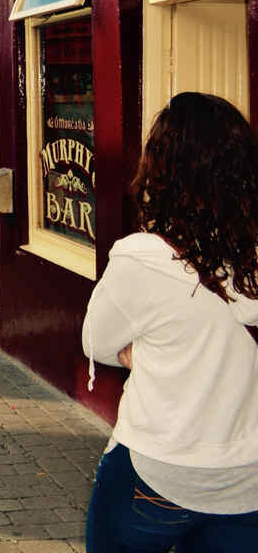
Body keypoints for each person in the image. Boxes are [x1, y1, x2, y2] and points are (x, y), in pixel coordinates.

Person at [82, 92, 258, 549]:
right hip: (248, 479)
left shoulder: (143, 257)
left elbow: (97, 343)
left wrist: (146, 354)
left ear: (161, 171)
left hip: (157, 471)